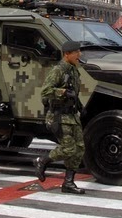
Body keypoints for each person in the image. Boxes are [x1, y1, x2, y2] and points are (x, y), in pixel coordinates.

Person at [33, 40, 86, 194]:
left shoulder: (74, 70)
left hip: (72, 116)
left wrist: (80, 105)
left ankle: (68, 183)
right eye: (76, 52)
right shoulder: (58, 70)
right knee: (69, 149)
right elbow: (45, 91)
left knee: (80, 149)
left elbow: (73, 93)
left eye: (79, 51)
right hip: (58, 116)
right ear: (67, 54)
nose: (79, 55)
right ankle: (42, 160)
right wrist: (62, 92)